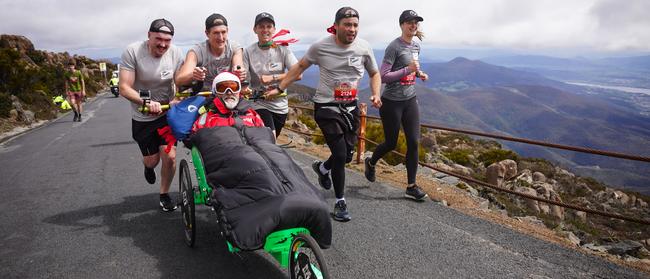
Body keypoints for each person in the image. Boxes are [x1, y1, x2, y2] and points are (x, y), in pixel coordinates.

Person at [184, 72, 332, 250]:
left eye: (234, 87)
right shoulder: (206, 118)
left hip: (262, 149)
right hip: (233, 155)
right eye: (223, 88)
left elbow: (265, 137)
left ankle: (301, 202)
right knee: (254, 165)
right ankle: (272, 208)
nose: (229, 92)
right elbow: (199, 140)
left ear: (240, 91)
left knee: (283, 164)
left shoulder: (252, 113)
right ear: (216, 92)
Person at [277, 7, 382, 222]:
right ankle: (340, 201)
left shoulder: (364, 47)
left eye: (355, 25)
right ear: (336, 26)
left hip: (350, 107)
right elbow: (299, 67)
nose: (352, 29)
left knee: (348, 153)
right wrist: (280, 87)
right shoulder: (320, 47)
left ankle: (323, 168)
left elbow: (374, 73)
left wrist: (375, 93)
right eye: (347, 24)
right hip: (326, 106)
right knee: (341, 155)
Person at [364, 10, 430, 201]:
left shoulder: (416, 46)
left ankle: (411, 185)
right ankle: (371, 161)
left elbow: (414, 68)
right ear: (401, 24)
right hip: (392, 102)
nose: (413, 25)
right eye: (409, 22)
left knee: (413, 142)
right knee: (391, 142)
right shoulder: (393, 47)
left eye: (416, 22)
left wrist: (419, 74)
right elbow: (383, 76)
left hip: (410, 100)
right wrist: (406, 70)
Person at [119, 18, 184, 212]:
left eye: (167, 40)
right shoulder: (133, 51)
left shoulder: (176, 53)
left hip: (166, 114)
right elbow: (124, 87)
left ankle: (164, 194)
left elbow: (179, 81)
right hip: (143, 115)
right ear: (149, 36)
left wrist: (179, 98)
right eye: (158, 39)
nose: (163, 44)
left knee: (170, 156)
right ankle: (148, 166)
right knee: (152, 160)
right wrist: (147, 102)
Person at [242, 12, 300, 138]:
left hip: (280, 104)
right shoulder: (248, 51)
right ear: (255, 29)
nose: (265, 30)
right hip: (258, 103)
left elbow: (298, 73)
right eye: (261, 26)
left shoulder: (283, 49)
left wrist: (274, 78)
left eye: (269, 26)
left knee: (271, 141)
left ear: (274, 29)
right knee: (269, 136)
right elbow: (244, 77)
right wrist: (244, 88)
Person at [175, 13, 245, 92]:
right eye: (216, 33)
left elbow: (239, 66)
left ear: (227, 31)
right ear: (207, 33)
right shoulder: (196, 51)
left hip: (227, 93)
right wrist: (194, 75)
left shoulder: (235, 48)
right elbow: (179, 80)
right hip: (204, 96)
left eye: (223, 32)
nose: (221, 37)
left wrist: (239, 72)